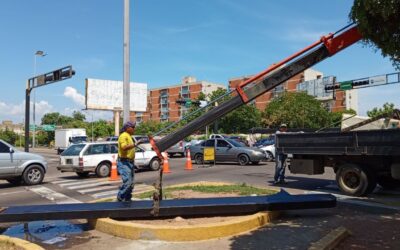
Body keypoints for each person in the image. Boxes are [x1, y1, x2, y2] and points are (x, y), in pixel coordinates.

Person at [116, 121, 136, 202]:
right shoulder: (123, 136)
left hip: (130, 162)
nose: (134, 129)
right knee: (127, 183)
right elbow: (124, 147)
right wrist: (135, 144)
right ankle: (120, 197)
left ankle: (128, 199)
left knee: (131, 184)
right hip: (124, 162)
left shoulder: (129, 136)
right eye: (133, 127)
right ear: (127, 128)